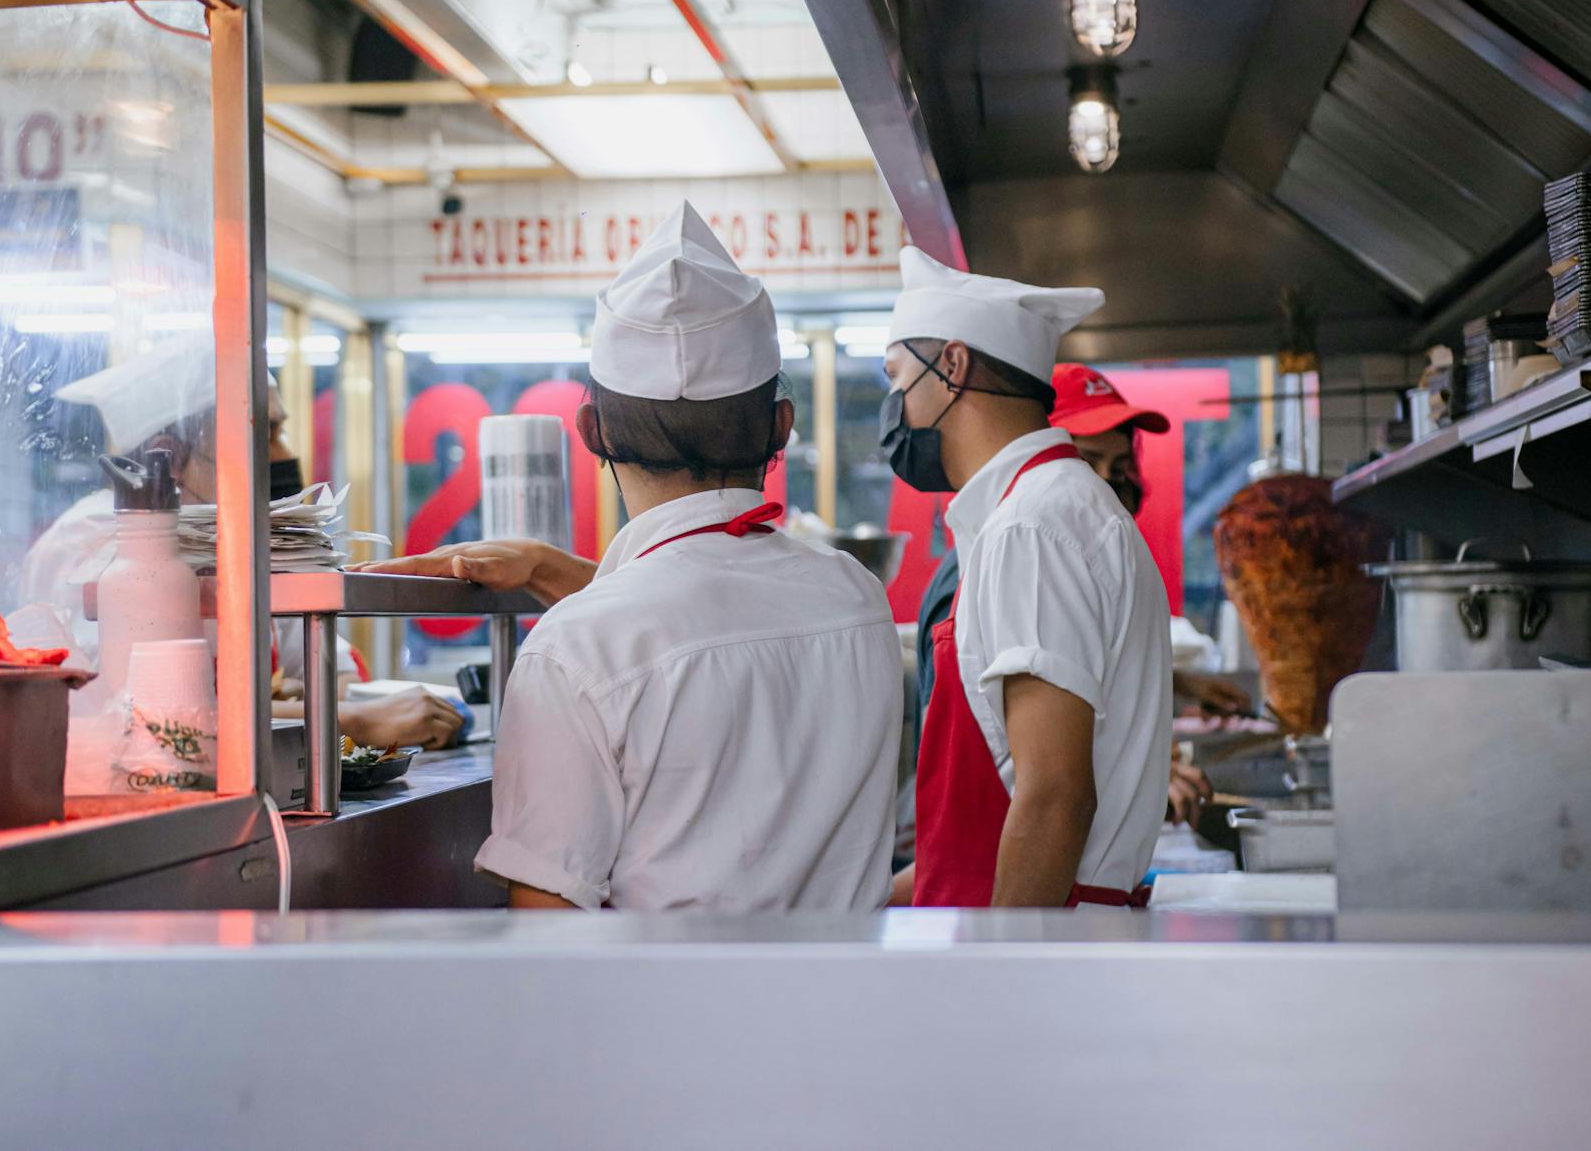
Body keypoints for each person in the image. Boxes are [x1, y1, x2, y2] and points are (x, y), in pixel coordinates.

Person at [359, 203, 902, 911]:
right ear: (781, 425)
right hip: (848, 1019)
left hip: (664, 1024)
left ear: (591, 430)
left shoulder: (576, 649)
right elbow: (710, 609)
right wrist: (554, 567)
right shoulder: (857, 598)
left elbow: (550, 936)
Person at [882, 247, 1172, 908]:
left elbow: (1054, 795)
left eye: (897, 375)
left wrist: (1008, 967)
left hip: (1044, 944)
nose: (894, 401)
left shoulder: (1031, 525)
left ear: (951, 366)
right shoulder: (1036, 510)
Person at [22, 341, 460, 752]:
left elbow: (336, 672)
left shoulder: (238, 537)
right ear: (169, 460)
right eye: (264, 434)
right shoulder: (96, 541)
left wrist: (311, 698)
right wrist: (352, 721)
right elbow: (145, 717)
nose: (284, 453)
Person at [912, 364, 1246, 832]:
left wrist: (1180, 685)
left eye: (1119, 468)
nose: (1106, 486)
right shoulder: (1013, 556)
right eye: (1087, 463)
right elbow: (1008, 772)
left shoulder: (1065, 551)